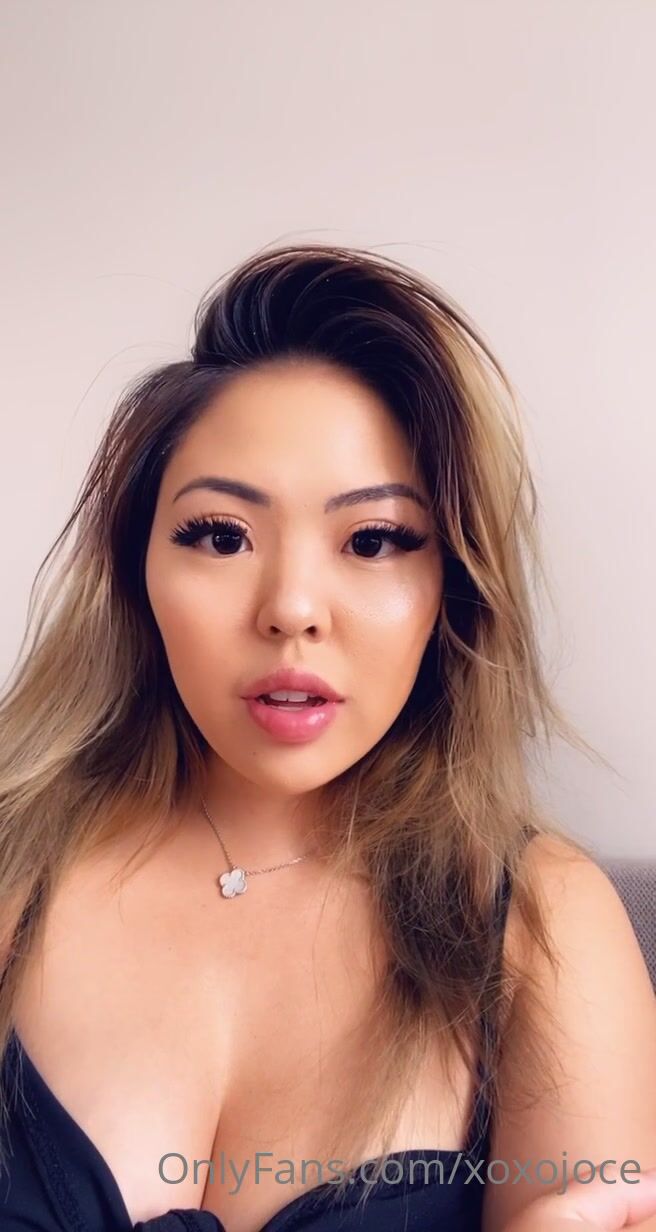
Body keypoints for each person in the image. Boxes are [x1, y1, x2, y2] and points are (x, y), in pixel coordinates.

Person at [0, 242, 654, 1232]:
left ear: (451, 588)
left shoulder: (539, 923)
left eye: (374, 539)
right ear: (137, 570)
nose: (292, 608)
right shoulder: (19, 865)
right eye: (221, 534)